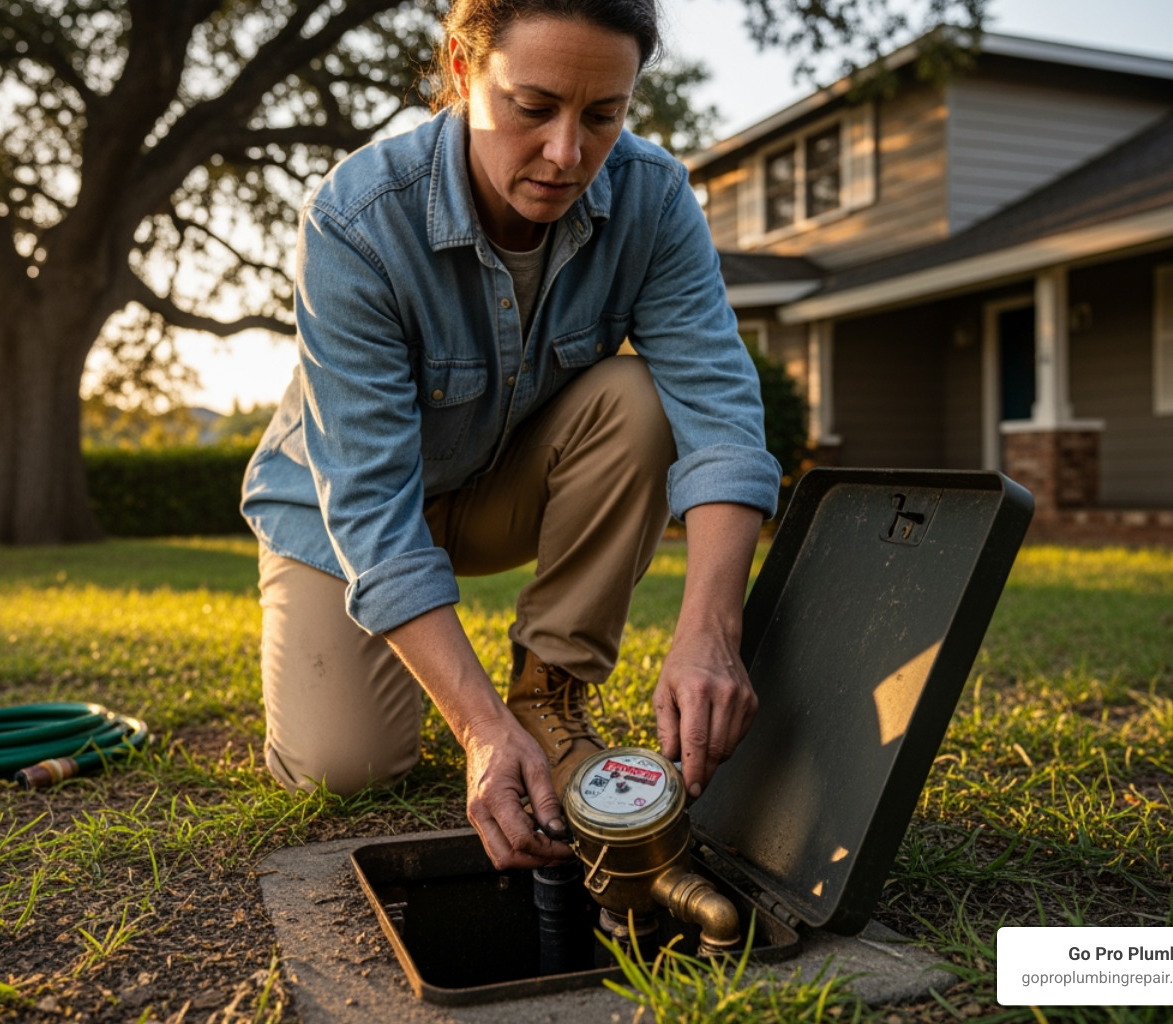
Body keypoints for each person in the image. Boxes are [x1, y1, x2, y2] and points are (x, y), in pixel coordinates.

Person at [241, 0, 781, 872]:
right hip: (340, 518)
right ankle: (459, 703)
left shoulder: (653, 199)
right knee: (344, 770)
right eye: (533, 108)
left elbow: (719, 412)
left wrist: (709, 635)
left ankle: (548, 696)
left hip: (499, 491)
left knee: (641, 400)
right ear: (461, 67)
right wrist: (476, 727)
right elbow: (373, 504)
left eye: (603, 115)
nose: (568, 154)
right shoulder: (355, 219)